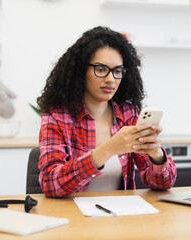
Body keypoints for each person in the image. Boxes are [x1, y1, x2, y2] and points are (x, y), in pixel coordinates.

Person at [37, 26, 177, 198]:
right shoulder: (57, 117)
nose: (111, 79)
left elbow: (163, 183)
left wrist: (156, 154)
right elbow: (51, 184)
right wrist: (108, 149)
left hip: (121, 218)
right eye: (101, 69)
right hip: (74, 219)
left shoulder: (129, 115)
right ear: (81, 71)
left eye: (117, 71)